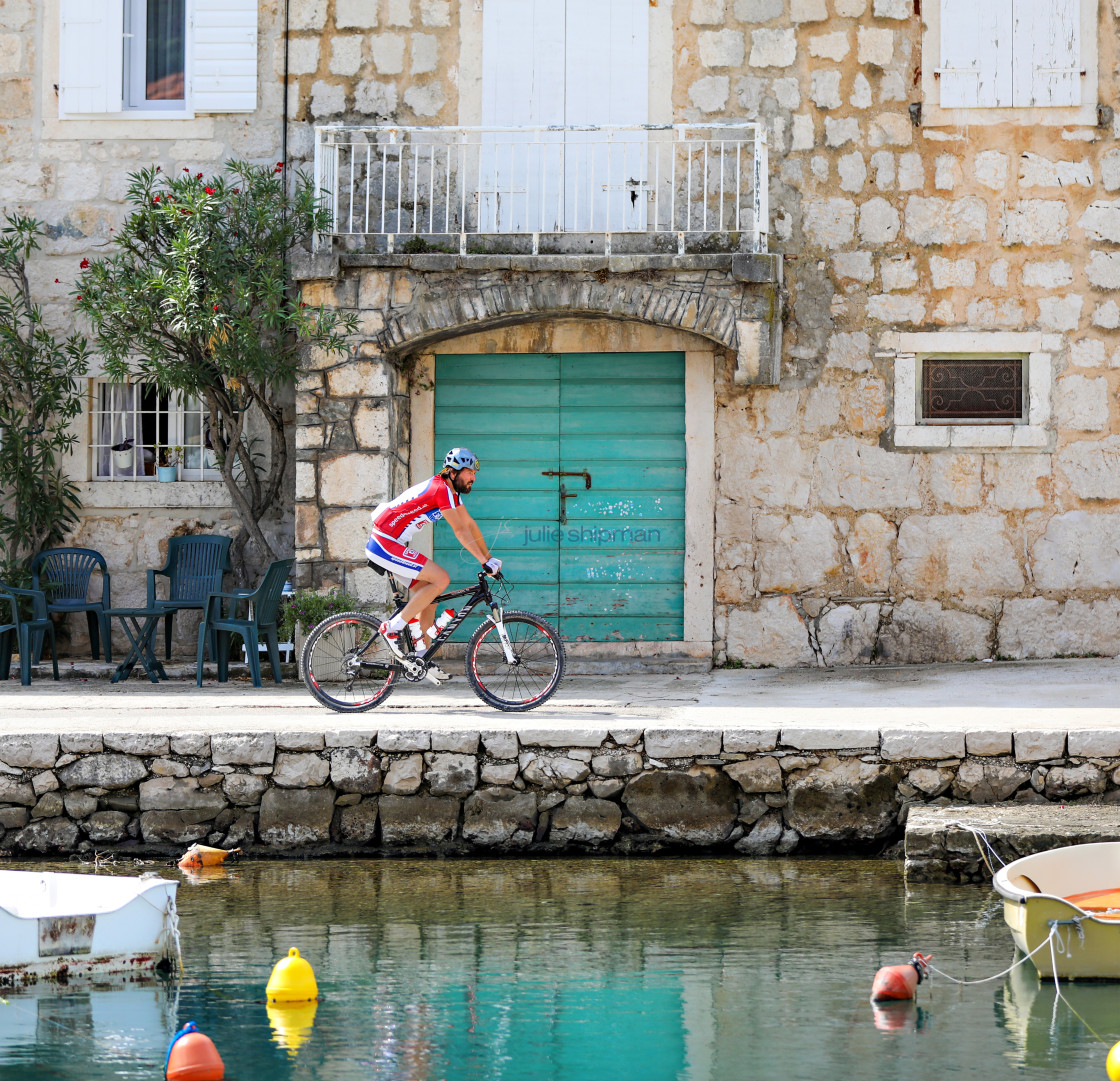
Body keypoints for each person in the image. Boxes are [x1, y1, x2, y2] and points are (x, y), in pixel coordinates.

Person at [365, 447, 501, 676]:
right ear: (455, 472)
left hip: (392, 544)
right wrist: (482, 561)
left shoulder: (450, 492)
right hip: (385, 543)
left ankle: (421, 660)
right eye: (470, 472)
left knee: (430, 597)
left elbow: (469, 523)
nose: (474, 478)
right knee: (441, 578)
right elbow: (459, 530)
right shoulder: (440, 490)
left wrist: (488, 558)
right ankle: (393, 628)